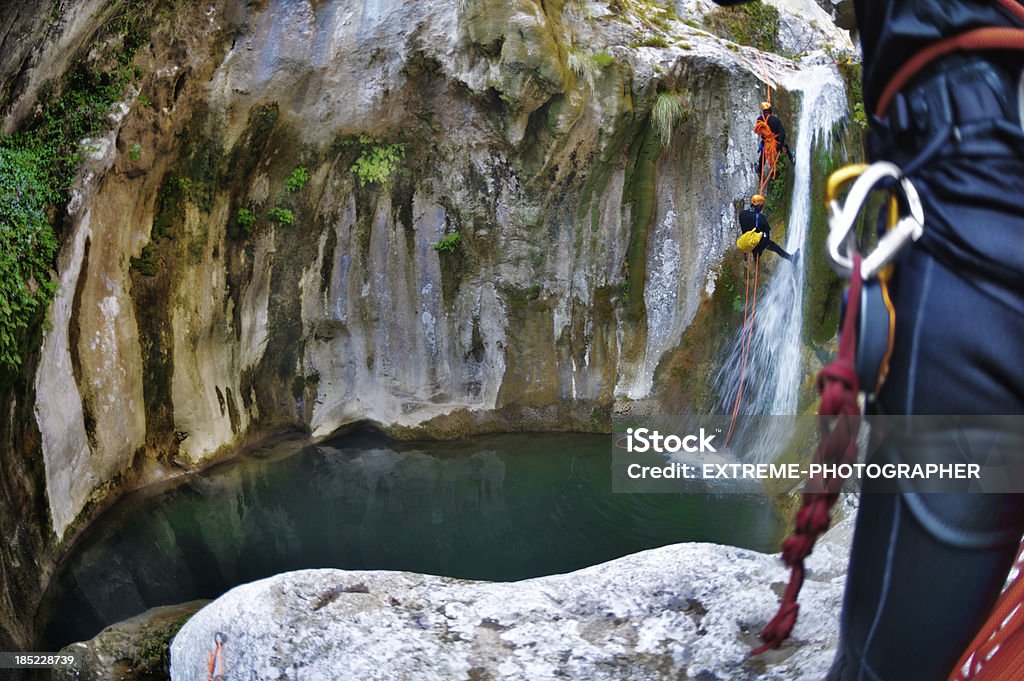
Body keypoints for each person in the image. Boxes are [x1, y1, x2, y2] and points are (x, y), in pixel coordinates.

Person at [738, 194, 798, 262]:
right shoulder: (761, 218)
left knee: (756, 251)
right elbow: (766, 238)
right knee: (775, 247)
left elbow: (744, 229)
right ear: (759, 206)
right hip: (757, 242)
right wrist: (759, 250)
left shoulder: (742, 214)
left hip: (747, 240)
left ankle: (754, 258)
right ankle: (791, 258)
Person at [755, 101, 795, 174]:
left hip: (766, 144)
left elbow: (760, 131)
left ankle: (759, 169)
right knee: (786, 146)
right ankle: (792, 159)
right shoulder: (775, 120)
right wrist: (780, 146)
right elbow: (782, 133)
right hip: (775, 144)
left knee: (763, 154)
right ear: (770, 111)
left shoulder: (759, 120)